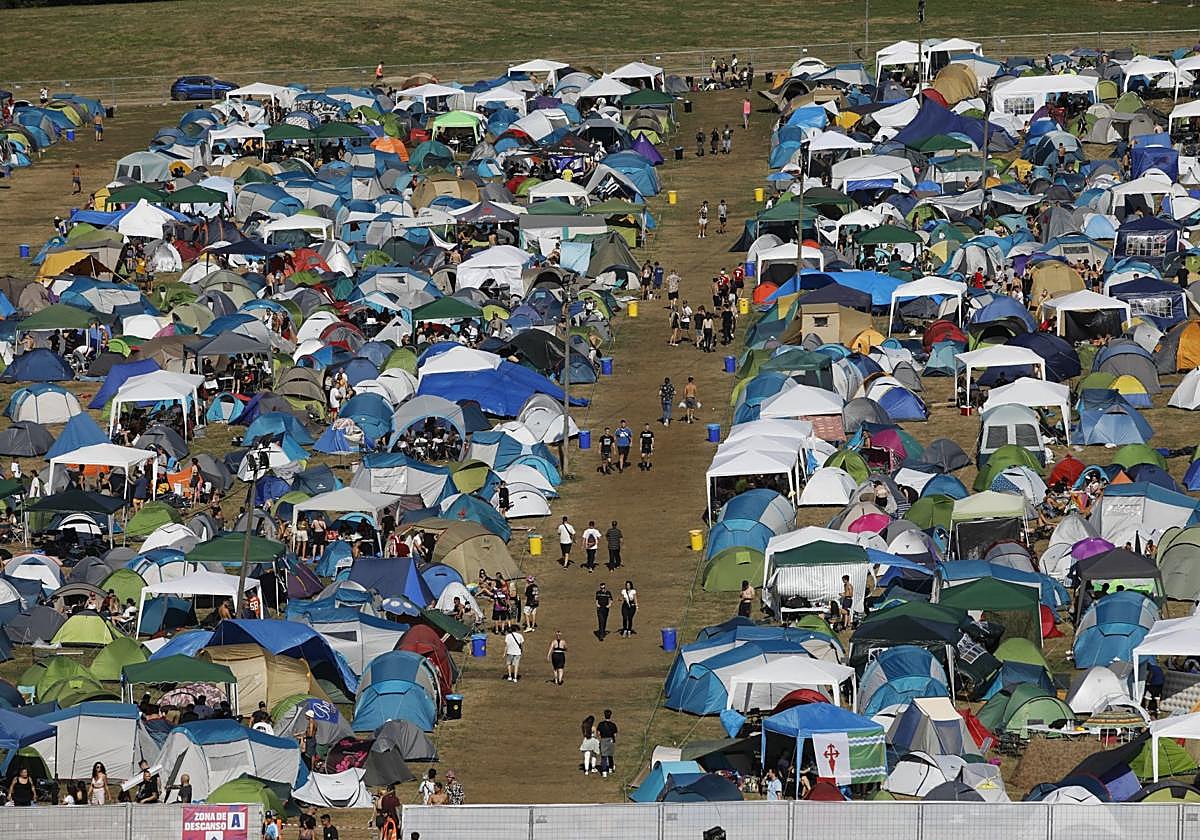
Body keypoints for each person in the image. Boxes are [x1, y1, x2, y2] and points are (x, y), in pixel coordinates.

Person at [597, 710, 618, 778]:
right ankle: (610, 768)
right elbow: (615, 734)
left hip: (603, 740)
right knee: (610, 755)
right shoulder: (613, 725)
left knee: (604, 756)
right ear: (610, 715)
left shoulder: (600, 724)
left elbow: (598, 733)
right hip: (610, 740)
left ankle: (604, 772)